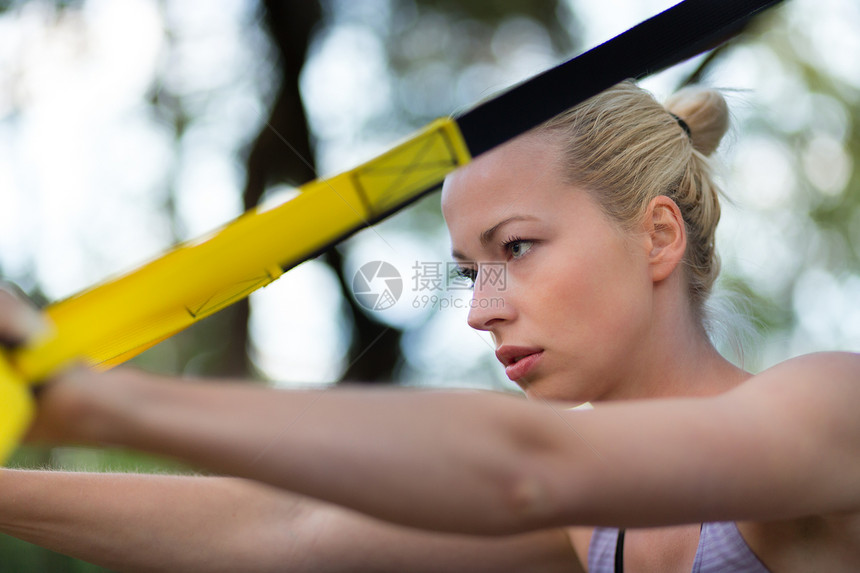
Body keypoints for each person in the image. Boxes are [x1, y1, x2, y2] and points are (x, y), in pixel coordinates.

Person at [1, 80, 859, 573]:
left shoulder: (831, 409)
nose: (481, 308)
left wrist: (93, 402)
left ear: (658, 236)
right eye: (466, 271)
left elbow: (527, 467)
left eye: (516, 247)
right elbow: (287, 527)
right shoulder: (594, 521)